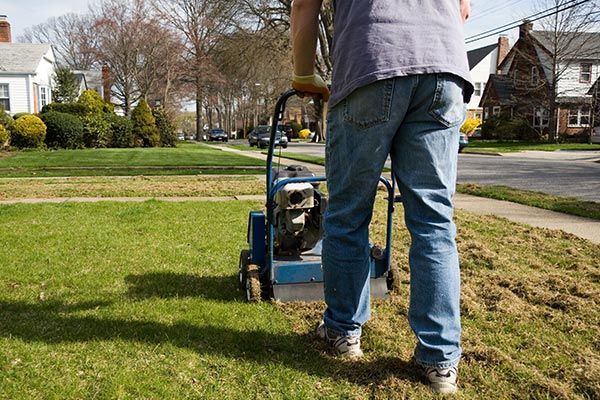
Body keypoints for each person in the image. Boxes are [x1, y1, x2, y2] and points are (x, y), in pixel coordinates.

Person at [290, 0, 473, 394]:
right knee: (434, 223)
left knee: (348, 215)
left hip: (372, 60)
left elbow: (305, 4)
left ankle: (342, 331)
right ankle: (440, 360)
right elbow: (462, 10)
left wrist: (304, 72)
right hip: (444, 66)